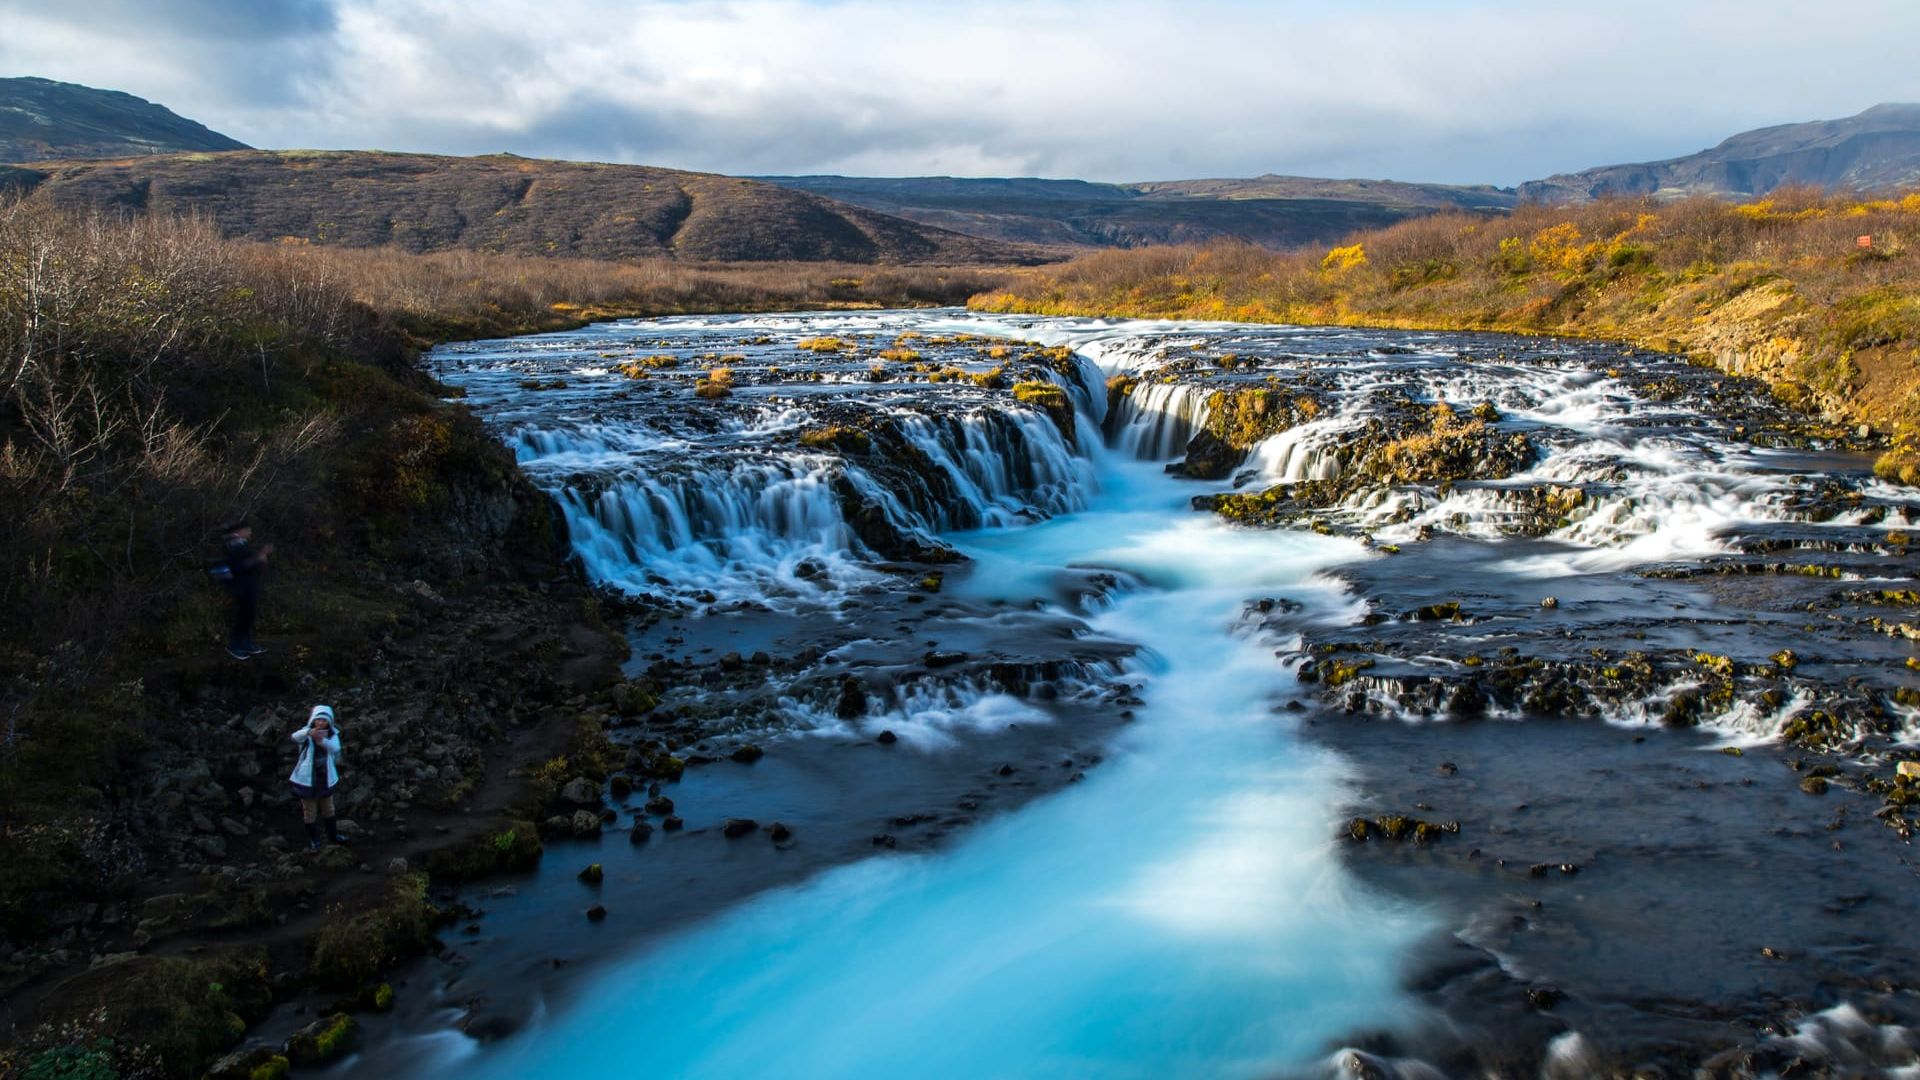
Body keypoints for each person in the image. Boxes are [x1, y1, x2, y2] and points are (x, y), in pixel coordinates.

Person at [289, 705, 349, 852]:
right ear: (313, 720)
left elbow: (335, 748)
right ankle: (314, 841)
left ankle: (333, 836)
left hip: (325, 778)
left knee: (329, 809)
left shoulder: (332, 734)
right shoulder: (306, 732)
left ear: (329, 721)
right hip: (307, 780)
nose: (321, 723)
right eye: (318, 719)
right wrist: (309, 733)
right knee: (309, 812)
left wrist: (322, 741)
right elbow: (294, 737)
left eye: (324, 720)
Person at [221, 518, 272, 661]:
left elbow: (252, 565)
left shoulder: (243, 545)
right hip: (240, 587)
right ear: (239, 531)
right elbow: (238, 567)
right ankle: (234, 646)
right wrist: (258, 557)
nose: (250, 532)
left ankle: (246, 643)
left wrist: (261, 559)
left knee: (249, 615)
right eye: (247, 529)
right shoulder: (233, 546)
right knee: (242, 616)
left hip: (250, 586)